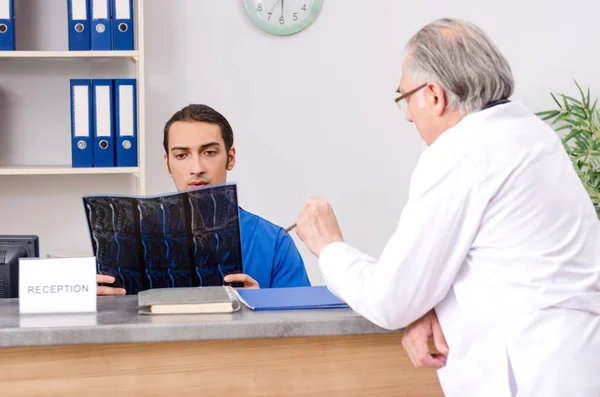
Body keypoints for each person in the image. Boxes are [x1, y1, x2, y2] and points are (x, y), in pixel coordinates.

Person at [294, 18, 600, 397]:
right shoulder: (532, 134)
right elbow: (500, 263)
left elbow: (390, 300)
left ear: (434, 96)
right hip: (575, 365)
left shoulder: (461, 152)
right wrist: (429, 306)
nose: (407, 114)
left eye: (405, 98)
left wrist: (329, 247)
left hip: (531, 374)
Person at [97, 104, 311, 295]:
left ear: (231, 157)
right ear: (167, 164)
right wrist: (97, 305)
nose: (197, 168)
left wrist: (261, 306)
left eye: (209, 152)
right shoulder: (123, 244)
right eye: (182, 155)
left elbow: (302, 327)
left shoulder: (274, 243)